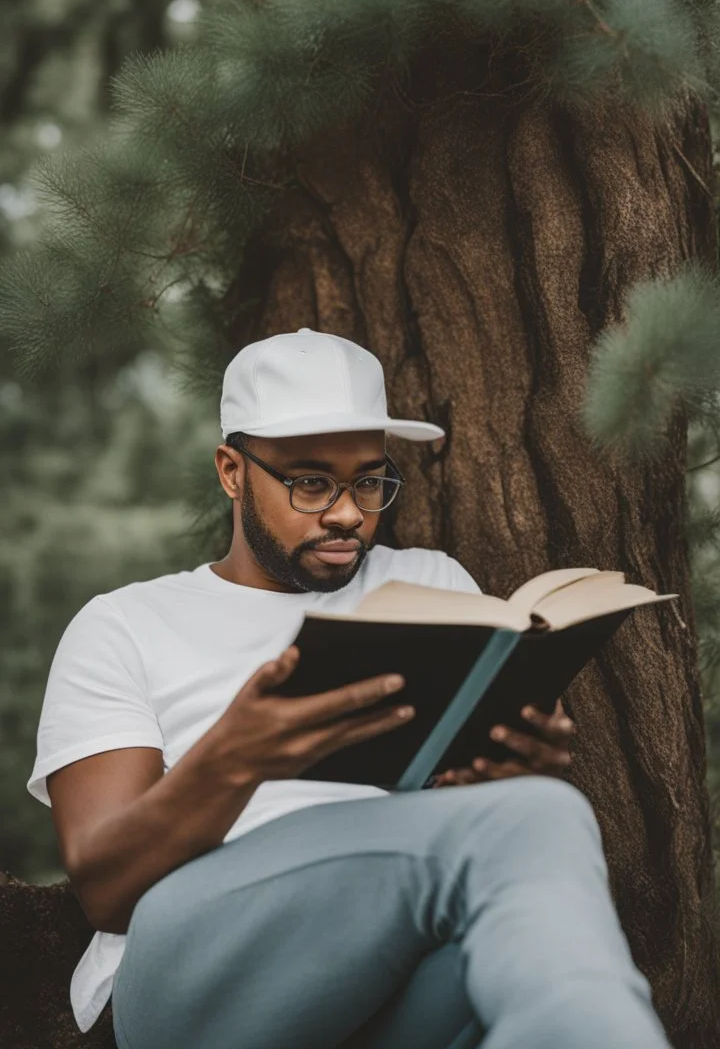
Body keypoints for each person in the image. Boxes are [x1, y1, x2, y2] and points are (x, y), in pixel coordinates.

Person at [27, 328, 670, 1049]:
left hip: (377, 973)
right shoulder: (125, 624)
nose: (345, 514)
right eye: (310, 482)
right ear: (232, 471)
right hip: (187, 980)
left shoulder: (431, 584)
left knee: (502, 944)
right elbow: (107, 892)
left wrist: (506, 773)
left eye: (368, 480)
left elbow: (451, 836)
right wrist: (233, 760)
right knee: (533, 821)